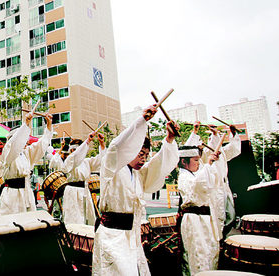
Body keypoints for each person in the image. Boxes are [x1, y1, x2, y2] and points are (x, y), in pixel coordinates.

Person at [92, 105, 179, 276]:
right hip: (113, 237)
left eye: (146, 154)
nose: (143, 158)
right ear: (130, 149)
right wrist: (142, 121)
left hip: (132, 237)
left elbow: (158, 165)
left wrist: (168, 140)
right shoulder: (112, 167)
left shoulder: (139, 174)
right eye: (140, 153)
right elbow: (116, 146)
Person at [177, 139, 226, 275]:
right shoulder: (183, 176)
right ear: (183, 162)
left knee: (210, 252)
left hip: (205, 220)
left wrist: (212, 163)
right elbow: (197, 186)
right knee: (198, 255)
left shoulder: (195, 173)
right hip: (194, 221)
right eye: (196, 160)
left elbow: (210, 181)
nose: (199, 164)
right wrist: (209, 163)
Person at [186, 122, 241, 236]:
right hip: (212, 191)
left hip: (224, 188)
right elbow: (188, 150)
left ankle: (223, 237)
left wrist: (233, 133)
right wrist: (195, 132)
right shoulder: (204, 154)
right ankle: (218, 240)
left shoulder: (222, 153)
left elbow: (235, 149)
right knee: (216, 219)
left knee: (230, 216)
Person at [0, 112, 53, 216]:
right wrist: (26, 124)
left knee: (28, 224)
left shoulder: (26, 153)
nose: (25, 141)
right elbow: (14, 144)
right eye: (22, 139)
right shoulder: (8, 151)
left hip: (27, 193)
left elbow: (41, 145)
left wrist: (48, 126)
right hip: (12, 195)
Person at [62, 132, 106, 225]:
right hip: (72, 192)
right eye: (72, 150)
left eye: (76, 149)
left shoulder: (87, 162)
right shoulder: (69, 161)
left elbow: (101, 160)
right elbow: (76, 157)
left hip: (85, 191)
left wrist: (102, 144)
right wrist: (88, 141)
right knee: (74, 219)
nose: (74, 151)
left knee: (87, 218)